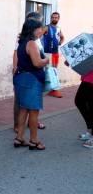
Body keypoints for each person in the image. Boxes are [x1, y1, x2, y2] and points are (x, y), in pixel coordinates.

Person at [13, 19, 49, 150]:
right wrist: (46, 60)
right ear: (33, 29)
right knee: (34, 112)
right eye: (40, 28)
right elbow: (37, 63)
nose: (42, 30)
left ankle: (19, 138)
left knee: (23, 108)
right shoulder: (32, 43)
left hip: (21, 78)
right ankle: (34, 140)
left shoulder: (21, 42)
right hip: (31, 80)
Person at [64, 60, 93, 148]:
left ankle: (91, 132)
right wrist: (72, 59)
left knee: (84, 103)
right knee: (83, 102)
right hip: (88, 75)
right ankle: (90, 131)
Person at [43, 12, 65, 98]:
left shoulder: (58, 28)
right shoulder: (46, 27)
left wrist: (60, 42)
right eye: (53, 17)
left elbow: (62, 37)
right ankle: (50, 89)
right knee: (49, 70)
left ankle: (53, 90)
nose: (54, 19)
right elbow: (38, 35)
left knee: (54, 70)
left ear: (58, 19)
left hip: (56, 52)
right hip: (48, 52)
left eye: (56, 17)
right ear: (50, 18)